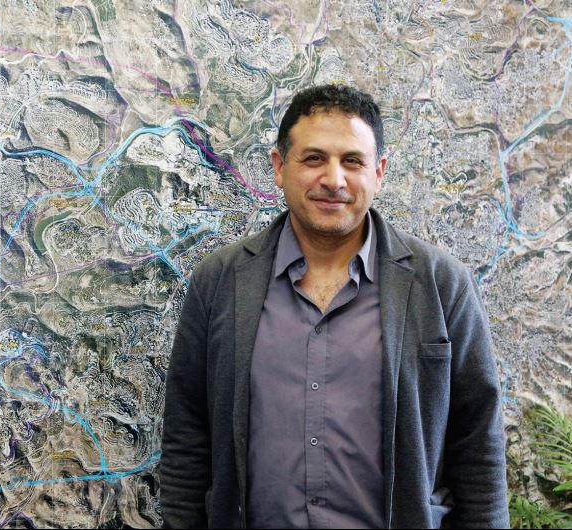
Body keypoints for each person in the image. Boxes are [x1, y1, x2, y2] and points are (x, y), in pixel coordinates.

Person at [159, 84, 509, 529]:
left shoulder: (441, 284)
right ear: (279, 167)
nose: (334, 180)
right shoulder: (220, 281)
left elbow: (478, 442)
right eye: (313, 158)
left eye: (352, 161)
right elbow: (187, 436)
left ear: (378, 172)